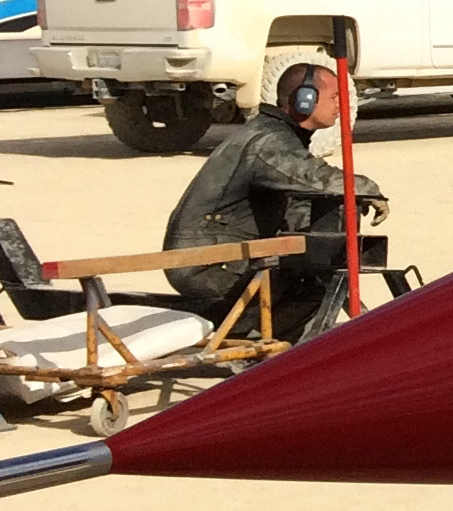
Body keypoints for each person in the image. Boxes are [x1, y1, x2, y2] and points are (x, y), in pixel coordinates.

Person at [163, 61, 387, 339]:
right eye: (333, 97)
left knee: (313, 271)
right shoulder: (268, 141)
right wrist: (365, 188)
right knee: (314, 285)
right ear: (305, 99)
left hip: (216, 254)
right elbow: (311, 175)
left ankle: (271, 342)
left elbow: (294, 205)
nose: (340, 106)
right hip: (208, 263)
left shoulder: (277, 136)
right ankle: (260, 344)